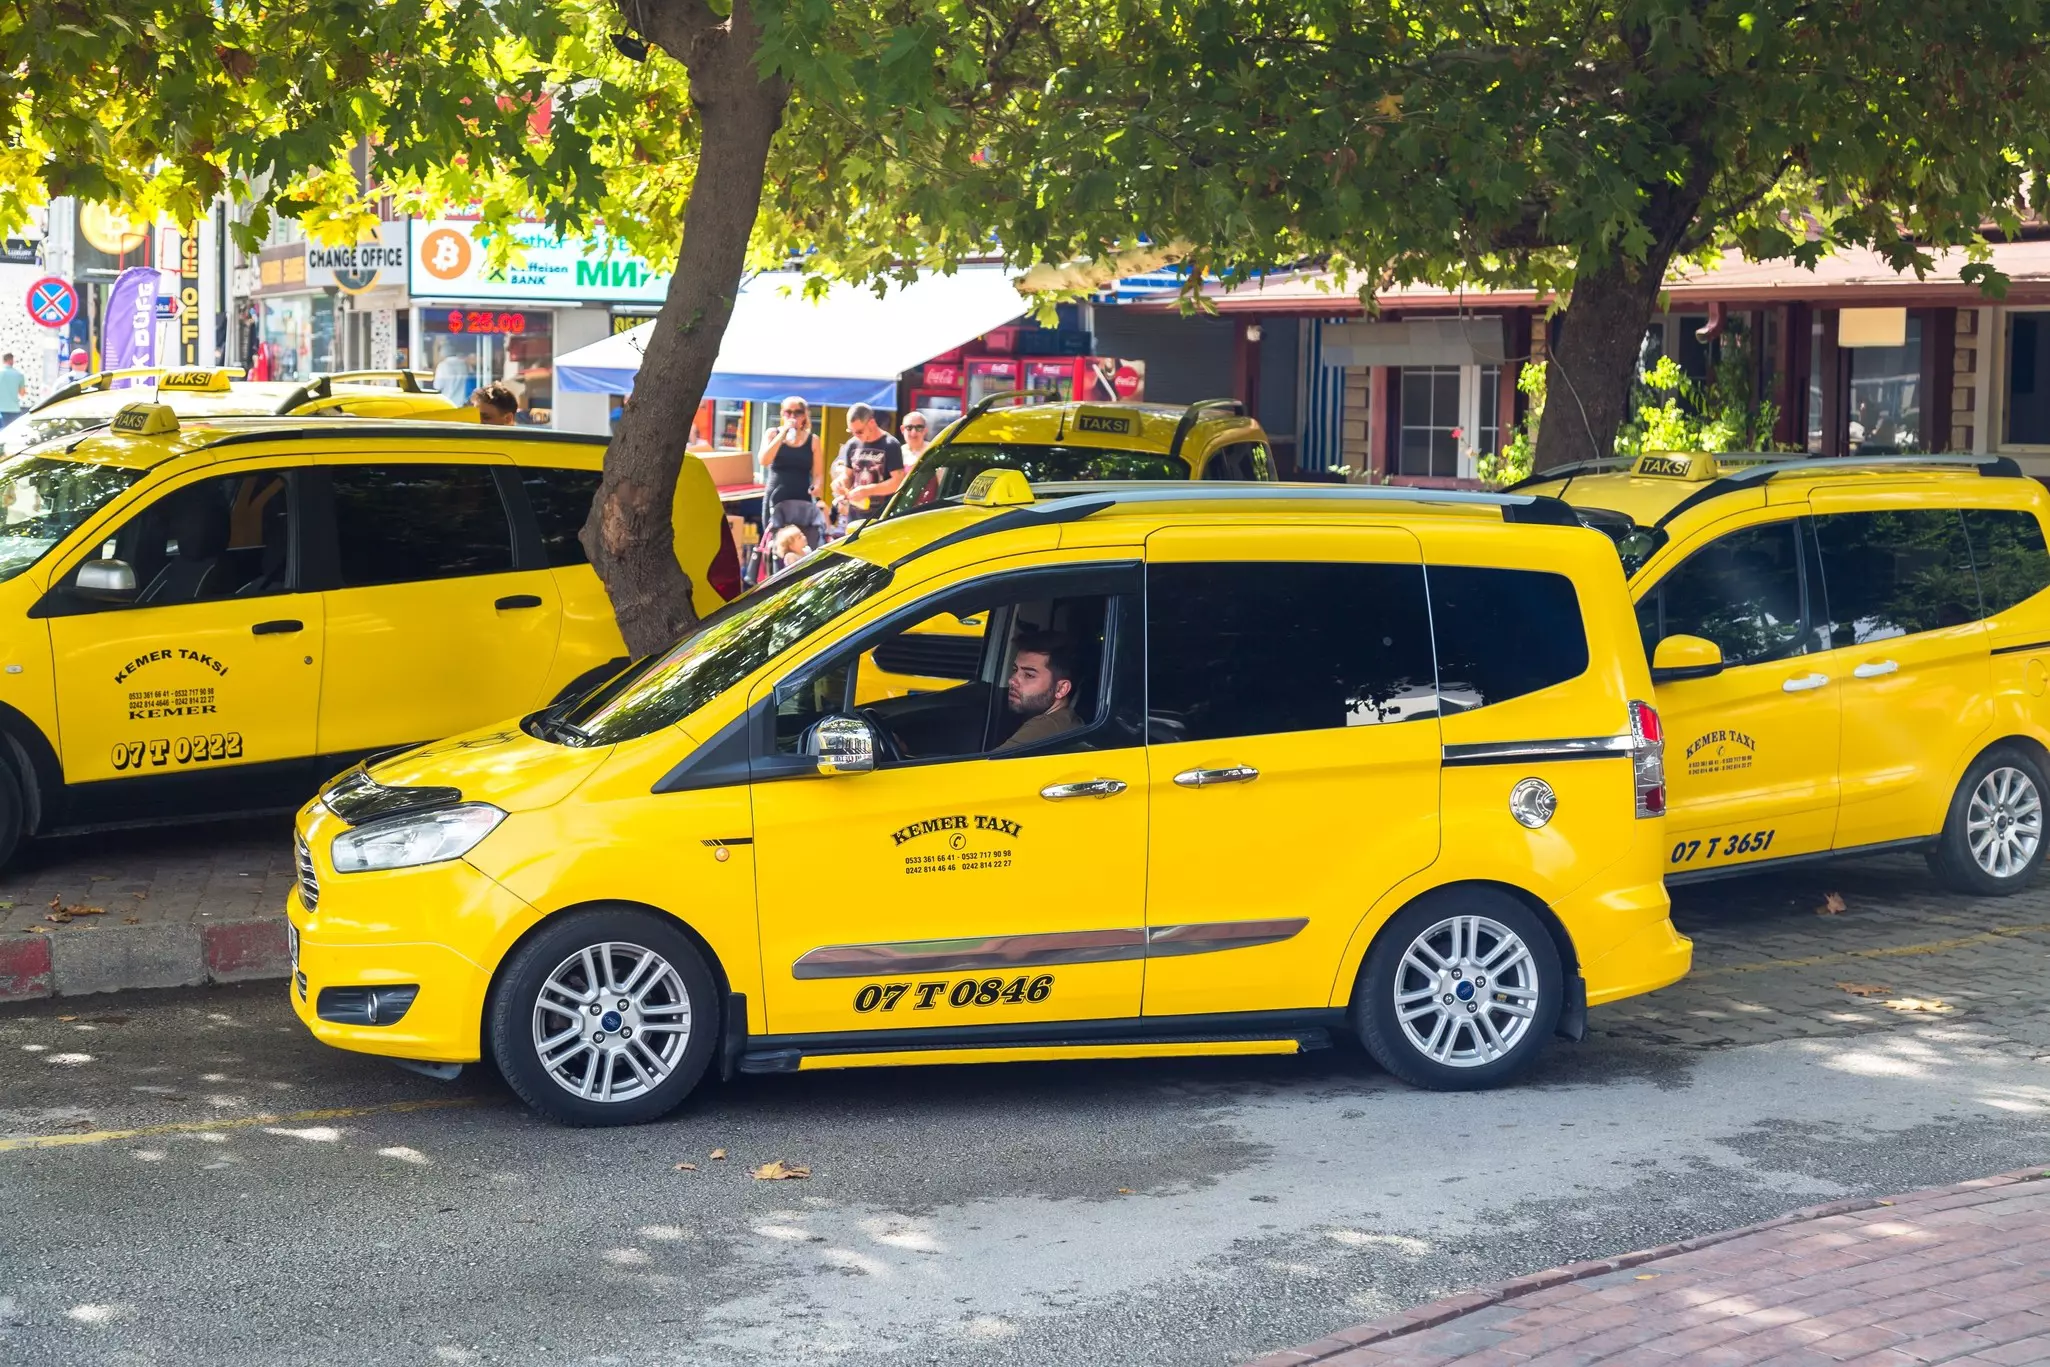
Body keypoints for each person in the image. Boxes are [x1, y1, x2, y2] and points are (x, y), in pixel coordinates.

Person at [759, 396, 828, 549]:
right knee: (775, 545)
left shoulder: (813, 440)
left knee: (801, 545)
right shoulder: (773, 434)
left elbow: (818, 473)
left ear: (805, 415)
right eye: (788, 412)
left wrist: (817, 486)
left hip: (801, 501)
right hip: (776, 498)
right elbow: (764, 460)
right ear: (782, 414)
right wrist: (783, 433)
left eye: (797, 412)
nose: (792, 416)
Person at [996, 631, 1082, 752]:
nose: (1011, 681)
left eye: (1029, 675)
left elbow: (984, 764)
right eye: (1015, 670)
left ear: (1061, 689)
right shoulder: (1065, 721)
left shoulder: (1047, 727)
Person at [837, 403, 906, 521]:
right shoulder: (852, 444)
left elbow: (898, 482)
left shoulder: (890, 445)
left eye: (859, 431)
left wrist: (868, 490)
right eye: (851, 431)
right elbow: (848, 475)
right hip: (854, 516)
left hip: (881, 517)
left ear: (872, 423)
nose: (855, 436)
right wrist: (840, 483)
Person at [0, 354, 24, 428]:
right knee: (14, 431)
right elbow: (22, 393)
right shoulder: (19, 374)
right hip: (15, 409)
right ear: (12, 360)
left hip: (1, 409)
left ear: (3, 361)